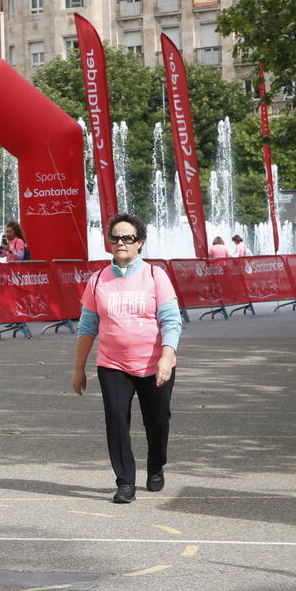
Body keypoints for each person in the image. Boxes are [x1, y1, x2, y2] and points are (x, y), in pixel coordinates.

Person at [72, 213, 183, 504]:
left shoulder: (155, 276)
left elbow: (172, 321)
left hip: (154, 364)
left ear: (139, 243)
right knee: (116, 420)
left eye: (127, 238)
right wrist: (78, 368)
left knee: (158, 422)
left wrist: (166, 357)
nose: (120, 242)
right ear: (109, 243)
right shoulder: (97, 280)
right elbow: (86, 328)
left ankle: (156, 464)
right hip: (112, 365)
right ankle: (125, 482)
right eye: (115, 238)